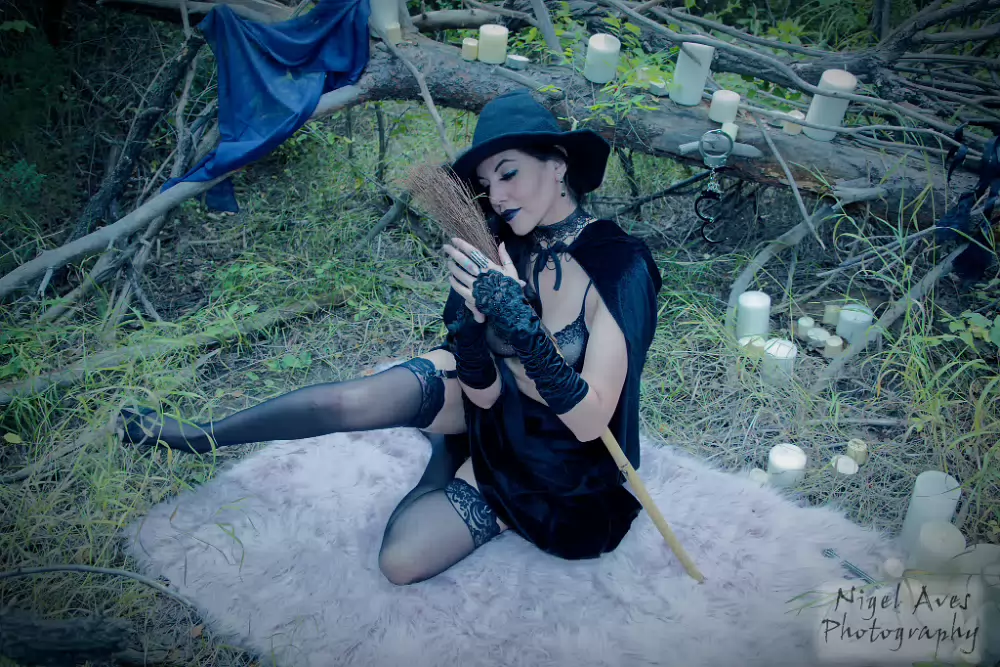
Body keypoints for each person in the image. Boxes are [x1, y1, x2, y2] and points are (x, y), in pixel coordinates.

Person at [119, 90, 663, 586]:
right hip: (492, 403)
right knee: (349, 401)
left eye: (508, 174)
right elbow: (483, 394)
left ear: (558, 164)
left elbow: (590, 421)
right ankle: (202, 436)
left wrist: (518, 323)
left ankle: (449, 448)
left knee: (400, 561)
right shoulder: (501, 244)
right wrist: (474, 327)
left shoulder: (620, 267)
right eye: (487, 184)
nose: (496, 196)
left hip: (560, 461)